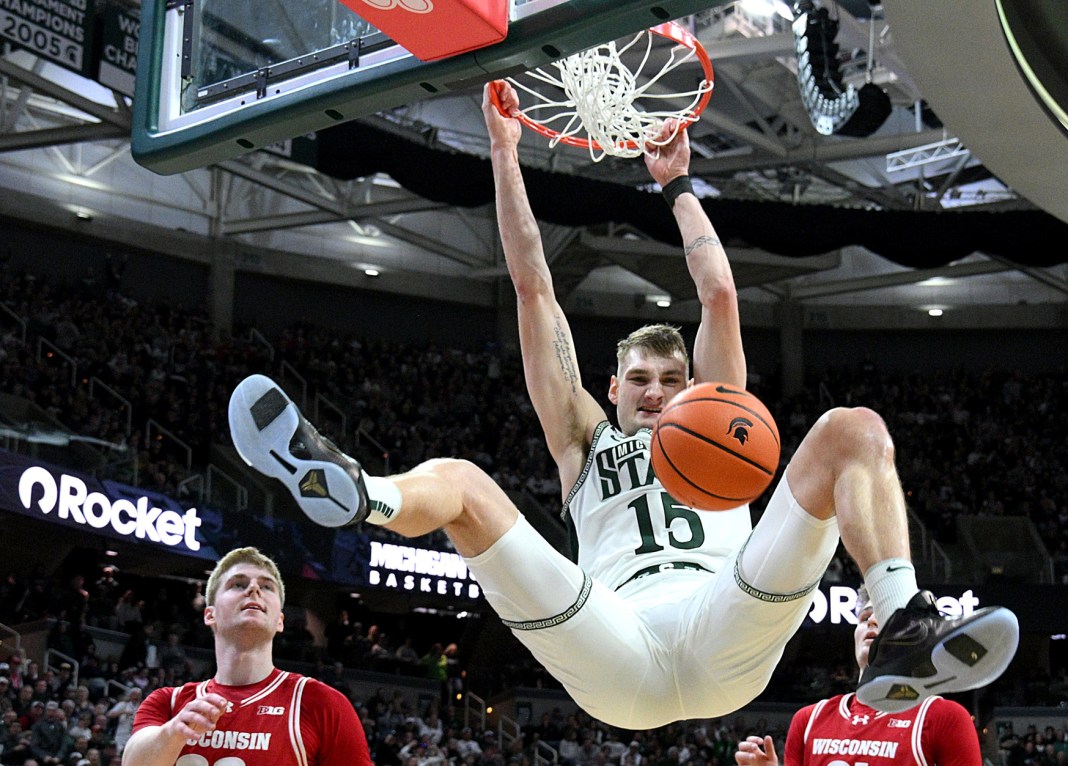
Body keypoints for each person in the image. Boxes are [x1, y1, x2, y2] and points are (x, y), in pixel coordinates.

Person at [226, 80, 1019, 729]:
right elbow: (534, 286)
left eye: (673, 382)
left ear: (695, 391)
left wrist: (675, 185)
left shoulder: (719, 420)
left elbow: (718, 294)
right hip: (613, 633)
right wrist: (504, 153)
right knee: (464, 485)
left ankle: (903, 625)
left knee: (853, 430)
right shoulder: (580, 439)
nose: (658, 393)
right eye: (641, 379)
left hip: (724, 611)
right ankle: (360, 492)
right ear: (611, 389)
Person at [122, 547, 372, 766]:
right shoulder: (168, 703)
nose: (253, 589)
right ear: (210, 614)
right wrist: (173, 733)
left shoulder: (321, 703)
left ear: (280, 621)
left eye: (266, 586)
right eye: (238, 584)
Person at [734, 585, 982, 766]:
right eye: (864, 617)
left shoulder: (945, 718)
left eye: (884, 616)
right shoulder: (808, 720)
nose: (872, 621)